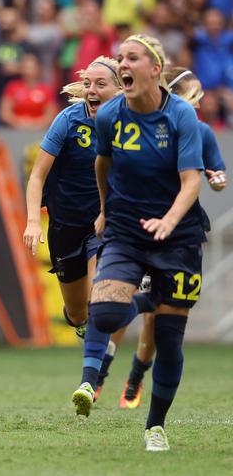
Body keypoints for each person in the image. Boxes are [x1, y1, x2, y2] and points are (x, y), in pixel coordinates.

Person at [70, 34, 206, 452]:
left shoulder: (181, 115)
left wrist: (169, 219)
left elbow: (191, 182)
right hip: (127, 229)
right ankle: (144, 303)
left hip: (177, 234)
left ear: (155, 68)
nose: (122, 64)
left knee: (167, 338)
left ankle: (155, 427)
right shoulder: (110, 114)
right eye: (121, 58)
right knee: (106, 312)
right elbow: (102, 162)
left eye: (131, 58)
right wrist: (105, 209)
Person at [94, 66, 228, 408]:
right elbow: (106, 163)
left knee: (158, 318)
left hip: (176, 233)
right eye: (191, 97)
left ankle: (136, 378)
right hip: (137, 230)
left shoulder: (199, 131)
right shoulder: (145, 126)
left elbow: (215, 171)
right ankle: (100, 372)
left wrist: (216, 178)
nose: (195, 105)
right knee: (122, 301)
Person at [23, 56, 122, 343]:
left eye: (100, 84)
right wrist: (32, 221)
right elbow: (37, 176)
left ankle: (96, 366)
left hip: (104, 222)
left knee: (99, 294)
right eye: (88, 83)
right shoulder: (68, 119)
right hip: (65, 225)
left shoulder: (128, 123)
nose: (92, 89)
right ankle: (81, 321)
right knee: (78, 313)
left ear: (119, 90)